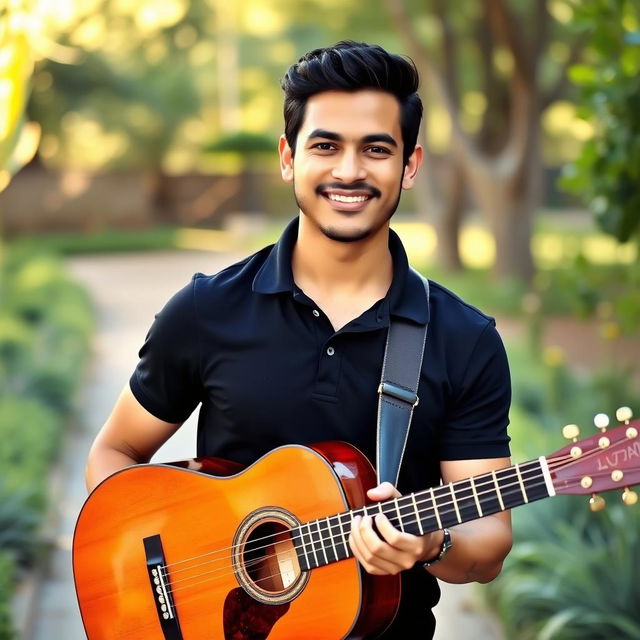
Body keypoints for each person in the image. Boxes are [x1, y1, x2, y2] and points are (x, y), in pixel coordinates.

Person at [85, 41, 513, 638]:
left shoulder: (463, 339)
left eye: (376, 149)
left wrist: (430, 544)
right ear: (289, 157)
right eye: (325, 145)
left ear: (409, 166)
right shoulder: (208, 310)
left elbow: (488, 540)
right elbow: (115, 454)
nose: (348, 171)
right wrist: (164, 561)